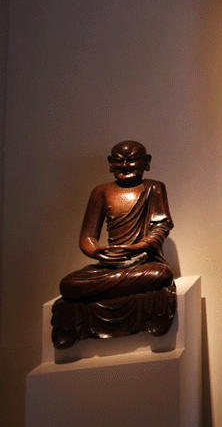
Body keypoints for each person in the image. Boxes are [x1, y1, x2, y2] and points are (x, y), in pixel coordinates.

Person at [51, 140, 176, 348]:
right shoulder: (101, 191)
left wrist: (134, 248)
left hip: (142, 261)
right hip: (109, 265)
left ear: (146, 162)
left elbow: (159, 230)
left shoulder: (154, 188)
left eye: (132, 160)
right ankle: (119, 291)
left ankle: (108, 294)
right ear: (110, 163)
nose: (125, 165)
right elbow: (87, 237)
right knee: (68, 284)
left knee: (161, 274)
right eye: (119, 161)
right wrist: (98, 252)